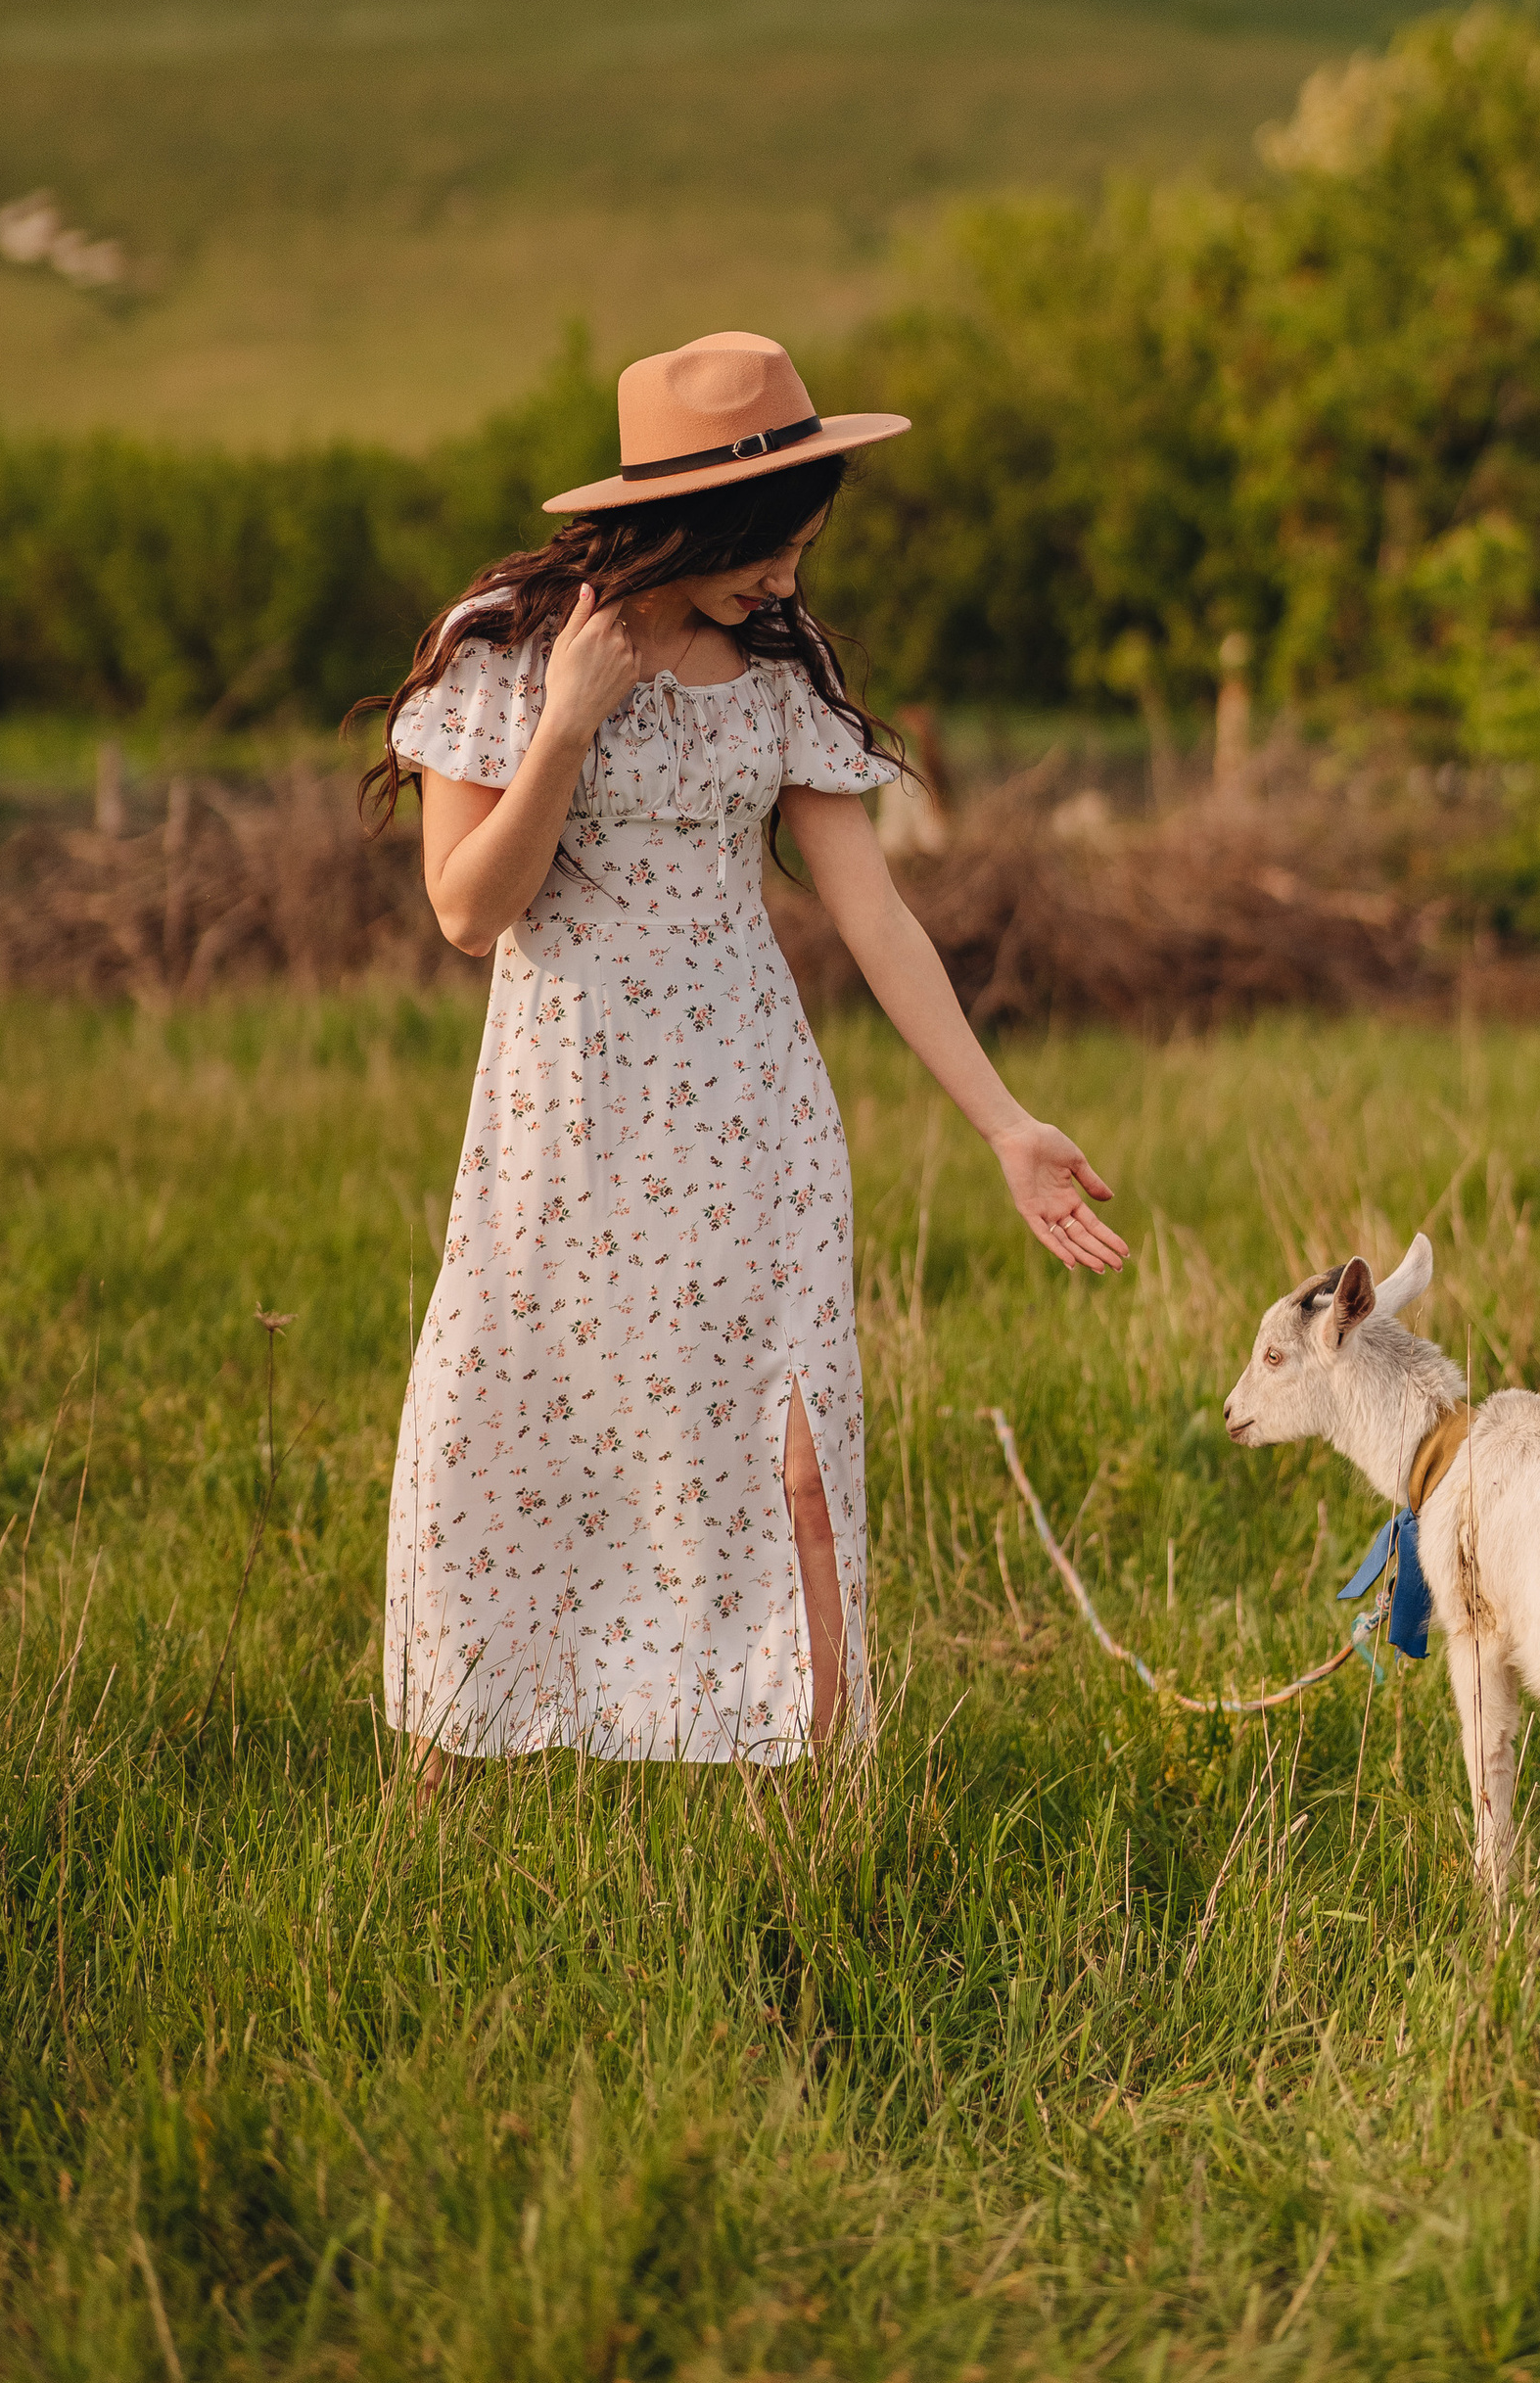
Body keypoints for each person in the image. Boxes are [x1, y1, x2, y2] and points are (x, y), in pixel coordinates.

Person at [358, 329, 1124, 1776]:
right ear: (679, 512)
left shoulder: (782, 663)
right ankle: (450, 1784)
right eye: (764, 543)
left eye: (802, 538)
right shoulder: (512, 649)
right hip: (567, 1106)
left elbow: (876, 915)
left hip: (749, 1107)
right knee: (509, 1422)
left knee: (793, 1463)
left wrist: (1004, 1121)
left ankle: (819, 1799)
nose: (786, 573)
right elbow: (468, 910)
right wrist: (569, 726)